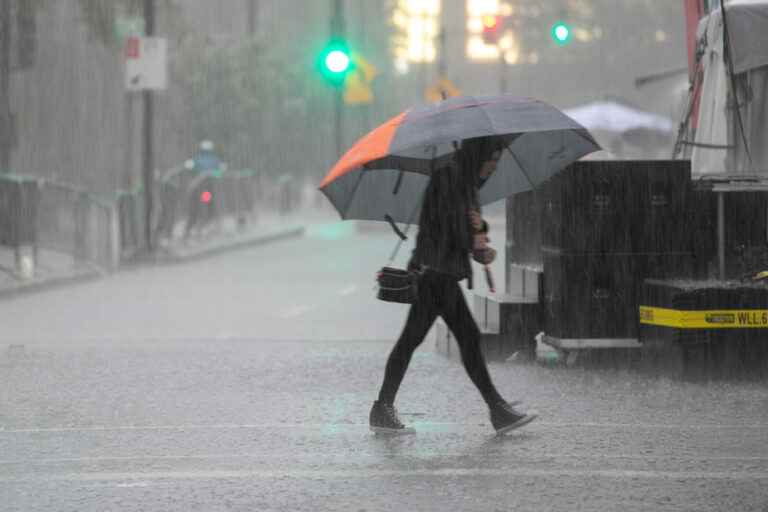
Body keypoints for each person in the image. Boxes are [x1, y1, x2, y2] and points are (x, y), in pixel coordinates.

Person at [369, 137, 538, 435]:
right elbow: (443, 227)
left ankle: (383, 407)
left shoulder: (468, 183)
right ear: (478, 156)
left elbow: (467, 231)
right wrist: (470, 232)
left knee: (415, 341)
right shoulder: (447, 178)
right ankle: (497, 410)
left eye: (497, 163)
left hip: (441, 271)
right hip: (435, 273)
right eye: (491, 161)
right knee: (464, 339)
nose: (493, 169)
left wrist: (480, 244)